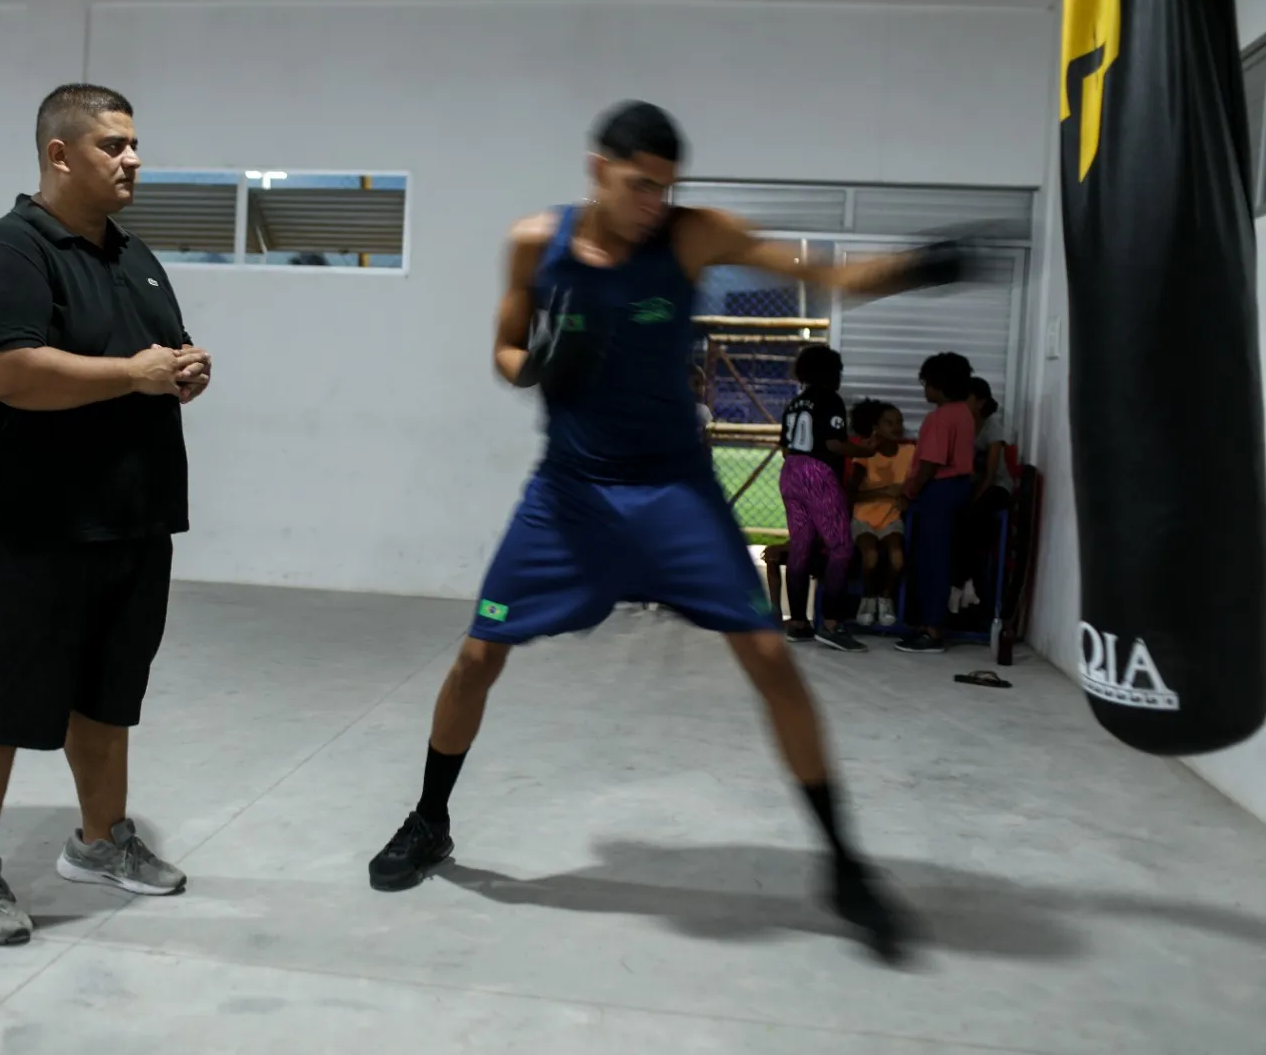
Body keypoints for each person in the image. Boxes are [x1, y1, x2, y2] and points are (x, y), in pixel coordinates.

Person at [366, 100, 976, 962]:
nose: (654, 201)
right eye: (639, 183)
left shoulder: (695, 235)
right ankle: (430, 822)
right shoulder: (533, 242)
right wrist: (534, 363)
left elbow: (831, 278)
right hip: (571, 494)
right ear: (597, 170)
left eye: (666, 187)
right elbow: (503, 347)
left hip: (675, 492)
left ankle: (844, 864)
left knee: (770, 658)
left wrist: (920, 264)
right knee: (476, 656)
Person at [0, 83, 213, 946]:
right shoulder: (8, 253)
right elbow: (6, 372)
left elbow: (144, 360)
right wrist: (134, 374)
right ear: (60, 155)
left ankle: (100, 843)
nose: (131, 160)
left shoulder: (133, 256)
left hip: (128, 520)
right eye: (112, 146)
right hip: (21, 526)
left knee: (108, 695)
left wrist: (179, 373)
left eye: (134, 145)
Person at [778, 346, 877, 651]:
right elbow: (833, 445)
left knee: (801, 548)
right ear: (831, 372)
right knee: (841, 548)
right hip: (817, 474)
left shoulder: (794, 403)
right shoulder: (830, 400)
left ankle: (797, 622)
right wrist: (866, 450)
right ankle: (832, 623)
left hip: (790, 471)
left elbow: (785, 447)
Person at [896, 352, 976, 654]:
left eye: (927, 384)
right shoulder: (964, 413)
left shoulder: (940, 418)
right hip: (956, 489)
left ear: (940, 385)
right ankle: (928, 624)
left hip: (938, 491)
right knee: (937, 557)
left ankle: (931, 629)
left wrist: (910, 491)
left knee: (932, 560)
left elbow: (931, 461)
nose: (924, 390)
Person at [950, 377, 1015, 610]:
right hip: (972, 485)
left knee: (973, 519)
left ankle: (966, 584)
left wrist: (973, 500)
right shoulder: (961, 423)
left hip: (996, 486)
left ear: (980, 401)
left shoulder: (992, 425)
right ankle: (966, 583)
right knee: (955, 521)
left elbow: (990, 474)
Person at [847, 400, 912, 628]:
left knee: (897, 557)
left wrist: (905, 499)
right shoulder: (865, 453)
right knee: (871, 555)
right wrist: (884, 491)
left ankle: (885, 599)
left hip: (891, 519)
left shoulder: (909, 452)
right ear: (876, 427)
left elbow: (915, 487)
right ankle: (867, 599)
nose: (896, 427)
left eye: (899, 422)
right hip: (864, 518)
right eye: (889, 423)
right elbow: (850, 495)